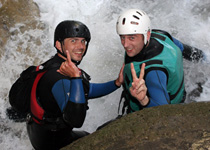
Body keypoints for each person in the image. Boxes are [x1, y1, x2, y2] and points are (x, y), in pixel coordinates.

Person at [26, 20, 125, 150]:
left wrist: (116, 83)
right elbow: (76, 120)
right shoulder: (58, 77)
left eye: (83, 41)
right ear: (58, 45)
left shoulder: (55, 64)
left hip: (38, 133)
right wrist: (76, 78)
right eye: (73, 41)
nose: (80, 46)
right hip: (52, 144)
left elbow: (86, 90)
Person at [116, 9, 204, 114]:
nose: (125, 44)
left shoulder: (154, 72)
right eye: (122, 37)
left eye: (132, 38)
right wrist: (206, 57)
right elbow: (188, 51)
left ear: (147, 35)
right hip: (179, 95)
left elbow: (163, 111)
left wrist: (143, 100)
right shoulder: (161, 35)